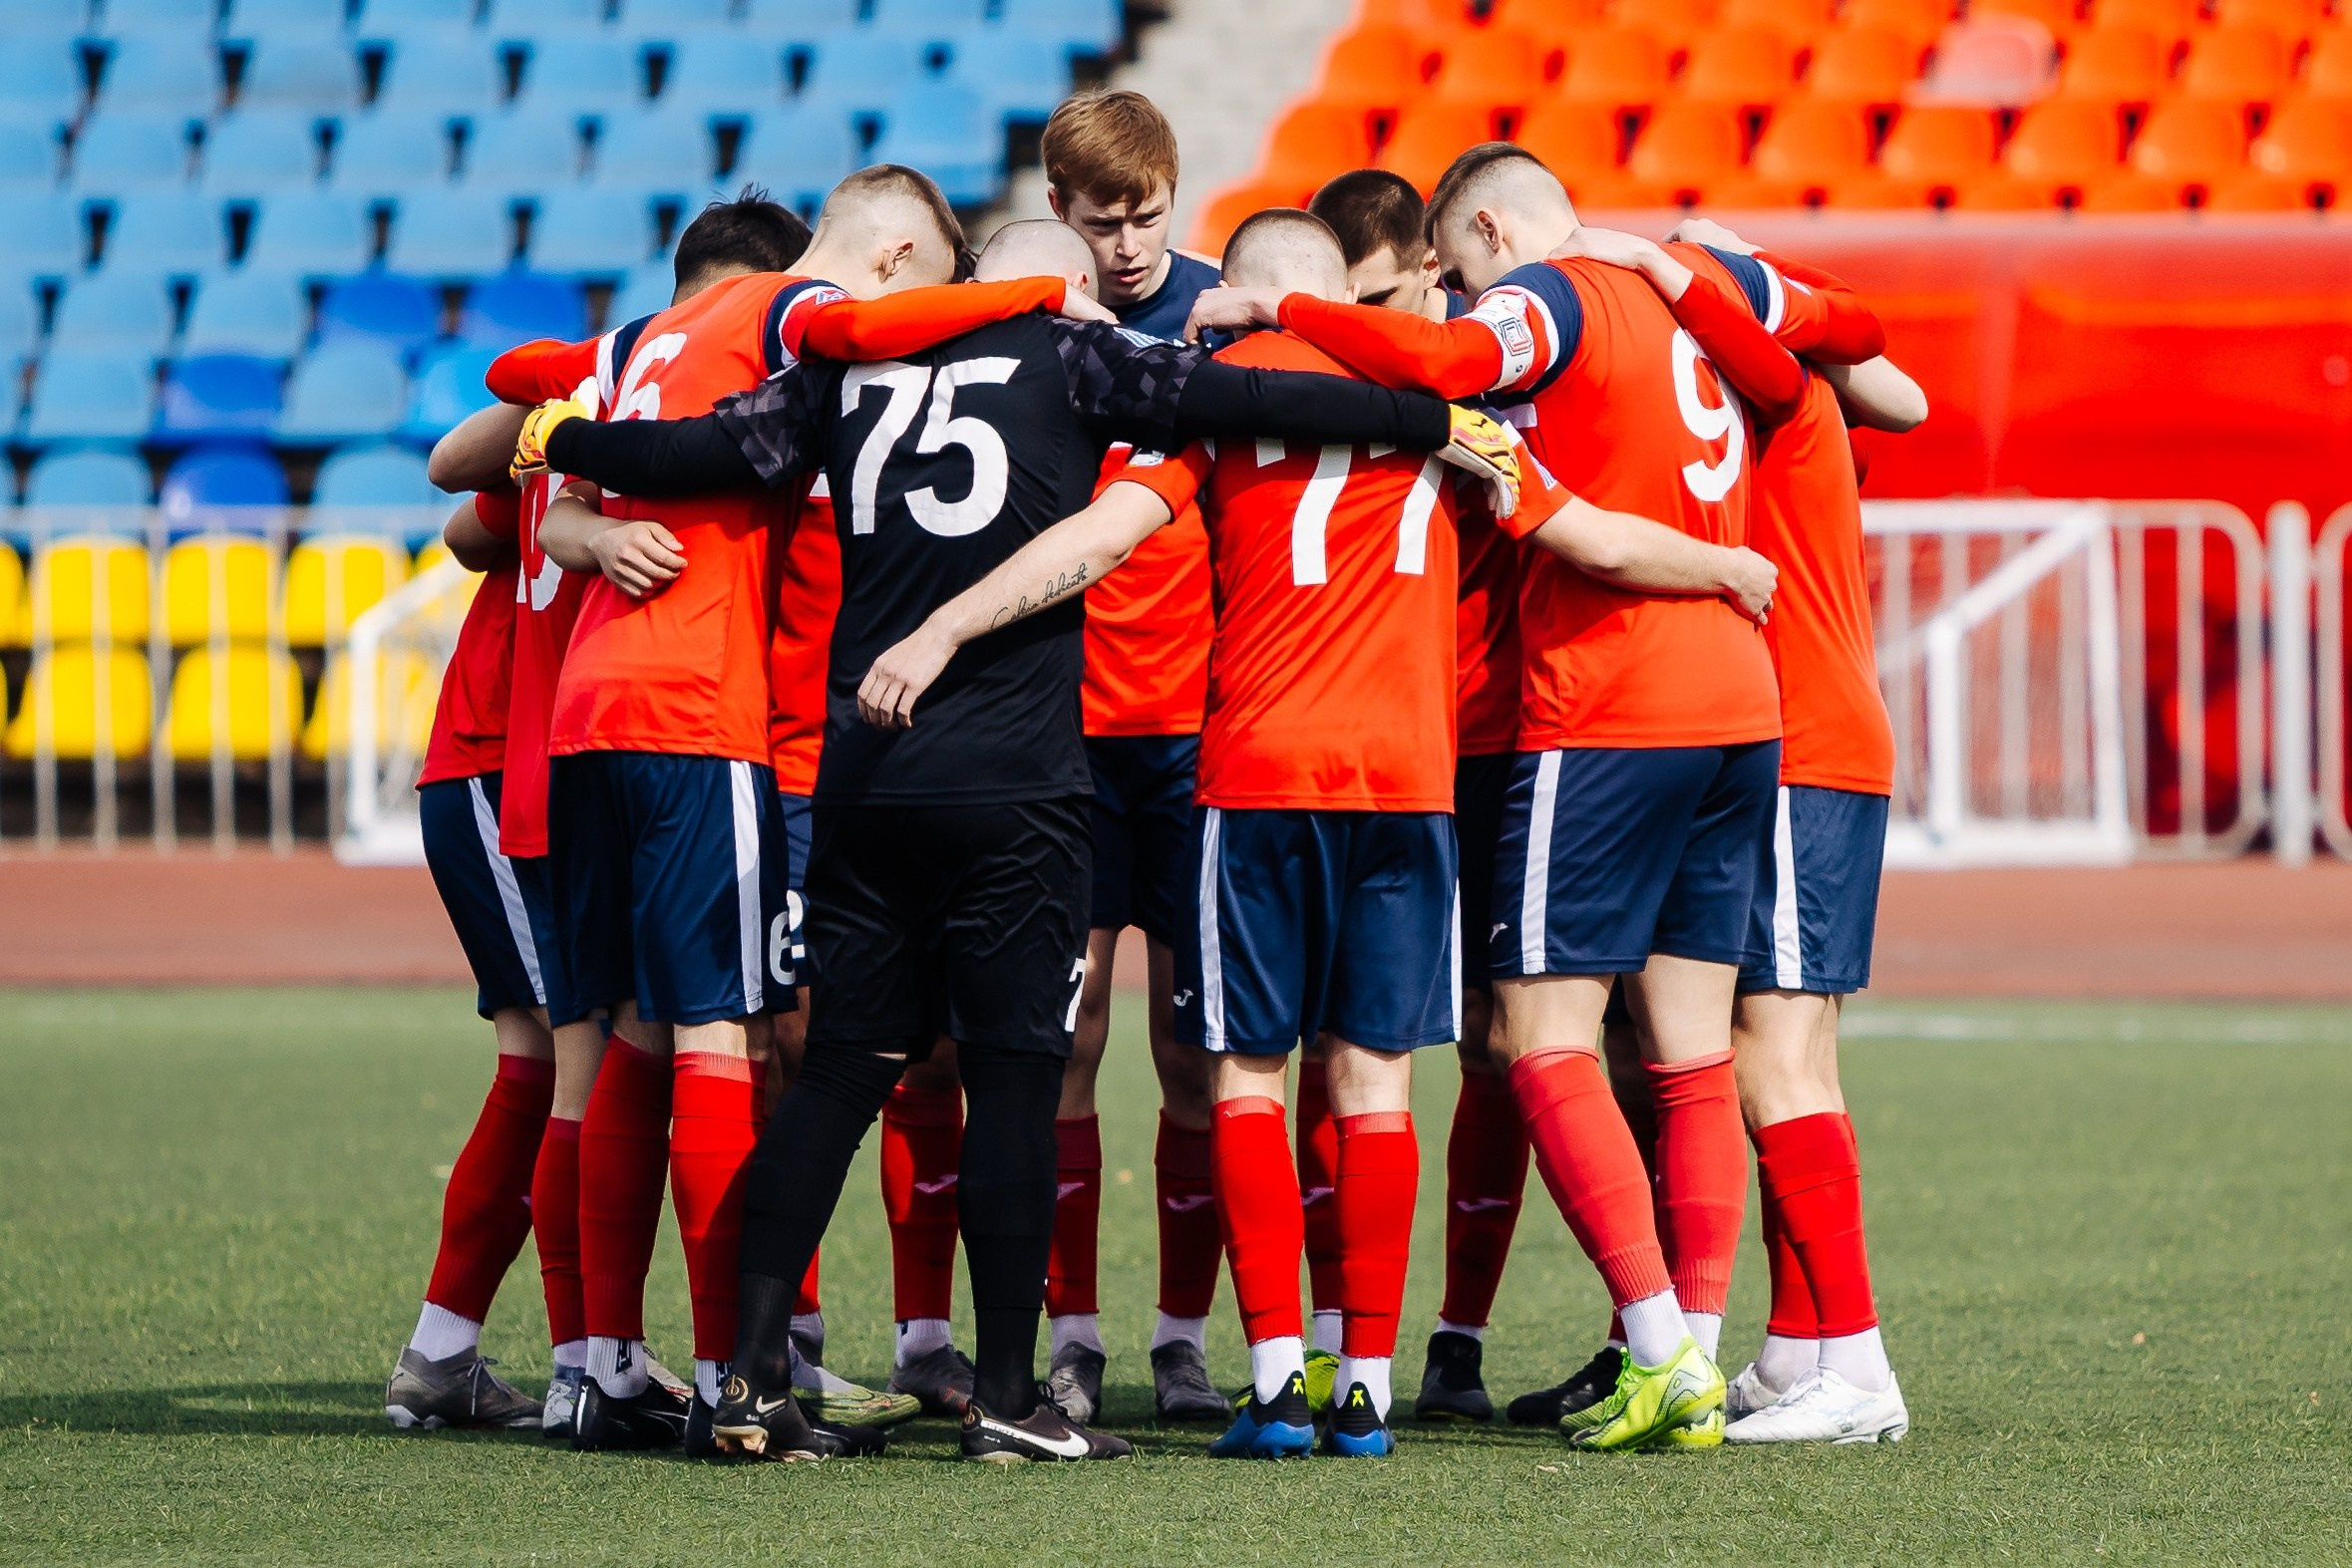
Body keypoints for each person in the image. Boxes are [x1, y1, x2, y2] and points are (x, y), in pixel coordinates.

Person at [511, 213, 1516, 1462]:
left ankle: (751, 1386)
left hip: (869, 768)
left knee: (834, 1080)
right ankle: (1005, 1398)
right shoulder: (1075, 358)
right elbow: (1241, 395)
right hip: (1016, 779)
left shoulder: (836, 373)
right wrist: (1436, 425)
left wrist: (563, 441)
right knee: (1015, 1084)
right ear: (1060, 291)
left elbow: (692, 450)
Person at [859, 209, 1782, 1460]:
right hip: (1407, 787)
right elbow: (1587, 536)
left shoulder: (1213, 400)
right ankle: (1366, 1382)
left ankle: (1277, 1379)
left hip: (1256, 773)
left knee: (1246, 1073)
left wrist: (945, 628)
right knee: (1378, 1083)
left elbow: (1098, 539)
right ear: (1338, 292)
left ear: (1237, 298)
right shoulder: (1445, 415)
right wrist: (1729, 569)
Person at [1185, 145, 1807, 1451]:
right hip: (1720, 699)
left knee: (1518, 1041)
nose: (1456, 302)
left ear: (1477, 229)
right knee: (1679, 1053)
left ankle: (1637, 1350)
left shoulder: (1526, 313)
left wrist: (1281, 312)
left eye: (1454, 274)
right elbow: (1800, 381)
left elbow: (1459, 383)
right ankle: (1677, 1347)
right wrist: (1729, 565)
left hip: (1563, 715)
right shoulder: (1671, 298)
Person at [527, 181, 941, 1454]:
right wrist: (1046, 295)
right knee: (724, 1042)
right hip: (704, 718)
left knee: (623, 1042)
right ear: (891, 255)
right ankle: (729, 1381)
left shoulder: (632, 346)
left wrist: (579, 509)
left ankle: (594, 1366)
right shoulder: (800, 320)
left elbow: (509, 394)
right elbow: (852, 340)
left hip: (588, 713)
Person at [1579, 216, 1924, 1444]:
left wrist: (1669, 265)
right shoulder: (1792, 403)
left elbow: (1854, 360)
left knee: (1771, 1059)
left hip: (1799, 741)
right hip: (1830, 738)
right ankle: (1806, 1342)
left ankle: (1859, 1362)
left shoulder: (1770, 397)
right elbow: (1897, 383)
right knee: (1794, 1056)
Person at [1309, 167, 1526, 1424]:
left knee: (1505, 1048)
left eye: (1388, 297)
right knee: (1330, 1044)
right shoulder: (1313, 385)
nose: (1376, 322)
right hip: (1361, 749)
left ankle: (1457, 1336)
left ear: (1432, 277)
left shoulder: (1491, 382)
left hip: (1498, 739)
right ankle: (1341, 1333)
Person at [1031, 88, 1231, 1426]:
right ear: (1060, 212)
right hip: (1060, 732)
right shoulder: (1029, 327)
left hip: (1199, 736)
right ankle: (1073, 1333)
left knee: (1192, 1051)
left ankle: (1178, 1334)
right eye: (1099, 221)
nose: (1125, 244)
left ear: (1172, 191)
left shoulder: (1223, 312)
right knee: (1065, 1034)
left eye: (1144, 214)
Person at [382, 483, 551, 1433]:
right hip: (498, 760)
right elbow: (462, 516)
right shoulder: (593, 409)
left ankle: (458, 1355)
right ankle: (459, 1353)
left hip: (554, 764)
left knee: (580, 1061)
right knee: (559, 1062)